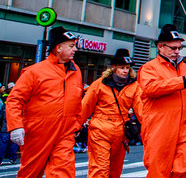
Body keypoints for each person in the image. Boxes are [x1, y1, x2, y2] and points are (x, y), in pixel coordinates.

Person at [4, 26, 83, 178]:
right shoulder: (34, 72)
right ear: (58, 47)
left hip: (65, 133)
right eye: (71, 46)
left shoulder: (76, 71)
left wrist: (77, 123)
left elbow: (78, 100)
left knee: (64, 173)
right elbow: (15, 99)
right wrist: (15, 126)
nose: (75, 50)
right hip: (38, 133)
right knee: (30, 173)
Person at [138, 24, 186, 178]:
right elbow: (151, 88)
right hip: (159, 129)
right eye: (173, 48)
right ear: (160, 47)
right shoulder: (149, 68)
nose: (177, 51)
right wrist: (183, 81)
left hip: (184, 127)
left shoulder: (184, 67)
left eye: (179, 48)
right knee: (159, 172)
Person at [78, 48, 141, 178]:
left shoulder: (134, 86)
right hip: (100, 129)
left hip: (121, 131)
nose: (125, 71)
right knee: (100, 169)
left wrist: (149, 129)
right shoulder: (99, 84)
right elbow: (85, 107)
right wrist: (76, 127)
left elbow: (142, 110)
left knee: (115, 170)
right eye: (122, 67)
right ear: (113, 68)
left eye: (127, 68)